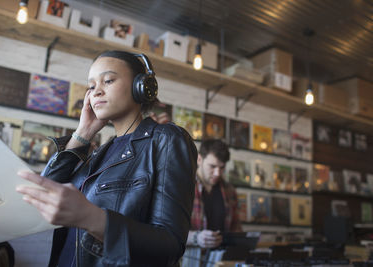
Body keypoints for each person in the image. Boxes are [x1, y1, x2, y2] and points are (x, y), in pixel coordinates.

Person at [15, 50, 197, 267]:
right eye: (91, 86)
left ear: (141, 87)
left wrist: (92, 218)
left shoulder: (166, 140)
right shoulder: (99, 152)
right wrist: (82, 133)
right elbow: (44, 193)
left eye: (108, 80)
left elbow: (170, 245)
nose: (96, 92)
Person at [186, 139, 242, 250]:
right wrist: (196, 237)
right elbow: (168, 232)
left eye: (222, 168)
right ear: (199, 159)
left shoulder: (230, 191)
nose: (217, 173)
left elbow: (235, 229)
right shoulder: (183, 186)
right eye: (212, 166)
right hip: (190, 260)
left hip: (221, 260)